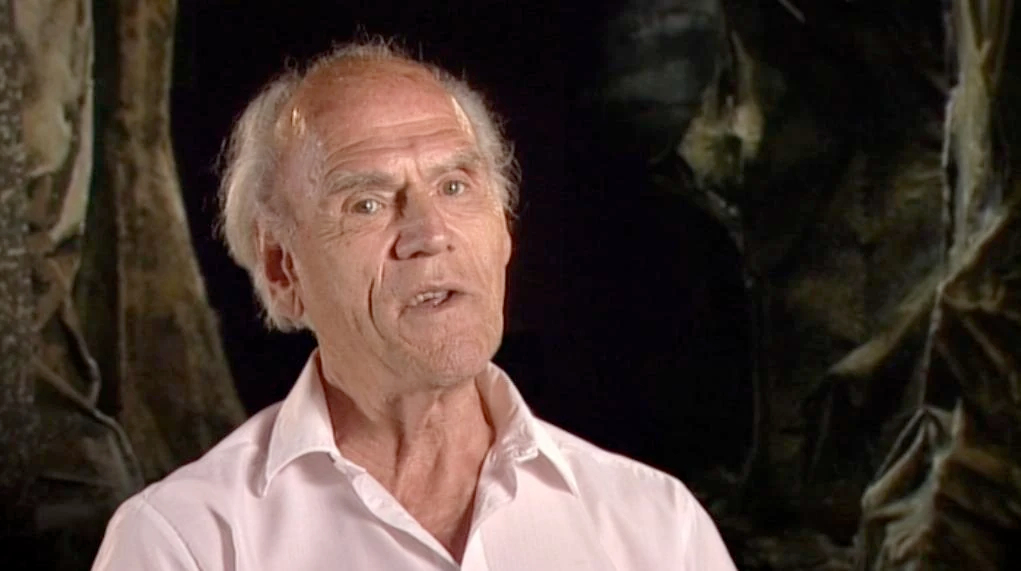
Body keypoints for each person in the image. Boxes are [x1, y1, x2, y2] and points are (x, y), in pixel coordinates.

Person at [91, 41, 738, 570]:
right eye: (367, 203)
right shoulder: (187, 543)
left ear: (504, 232)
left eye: (454, 186)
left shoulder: (655, 526)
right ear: (282, 268)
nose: (429, 234)